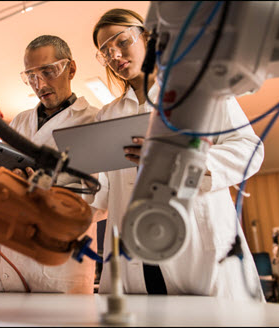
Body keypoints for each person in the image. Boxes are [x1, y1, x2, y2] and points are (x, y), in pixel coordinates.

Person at [88, 8, 266, 301]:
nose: (114, 54)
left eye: (121, 42)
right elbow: (105, 194)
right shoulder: (108, 115)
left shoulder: (200, 88)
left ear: (147, 36)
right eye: (105, 51)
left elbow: (249, 149)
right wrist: (78, 178)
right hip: (136, 259)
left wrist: (180, 160)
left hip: (198, 246)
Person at [0, 35, 100, 294]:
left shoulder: (94, 121)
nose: (39, 84)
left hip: (53, 264)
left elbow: (100, 199)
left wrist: (46, 193)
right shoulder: (19, 121)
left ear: (70, 68)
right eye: (31, 75)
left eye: (48, 71)